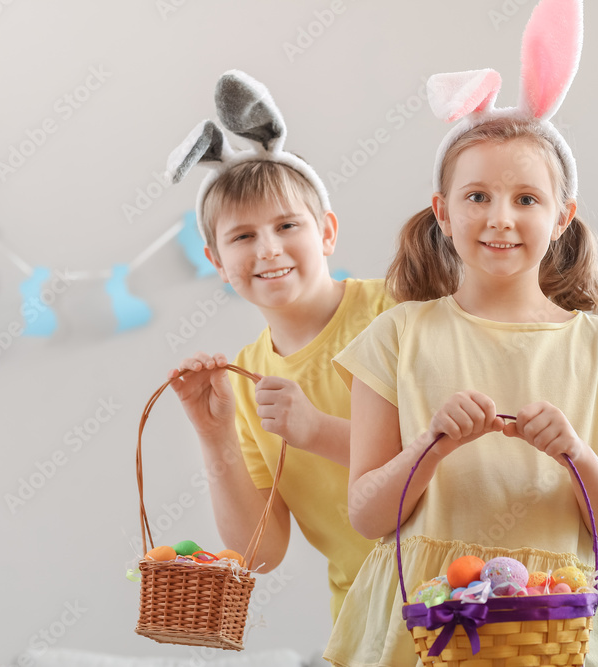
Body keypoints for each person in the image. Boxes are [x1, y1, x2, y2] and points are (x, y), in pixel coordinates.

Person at [323, 2, 598, 664]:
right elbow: (369, 515)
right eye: (477, 195)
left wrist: (575, 450)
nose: (500, 217)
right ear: (443, 211)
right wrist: (429, 444)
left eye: (526, 198)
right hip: (419, 627)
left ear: (563, 215)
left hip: (553, 625)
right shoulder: (396, 336)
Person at [163, 70, 394, 622]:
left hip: (475, 605)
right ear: (217, 262)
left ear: (327, 233)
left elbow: (452, 453)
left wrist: (315, 429)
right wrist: (213, 433)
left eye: (288, 225)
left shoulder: (395, 312)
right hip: (366, 627)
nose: (268, 249)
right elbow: (259, 553)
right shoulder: (245, 378)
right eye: (242, 236)